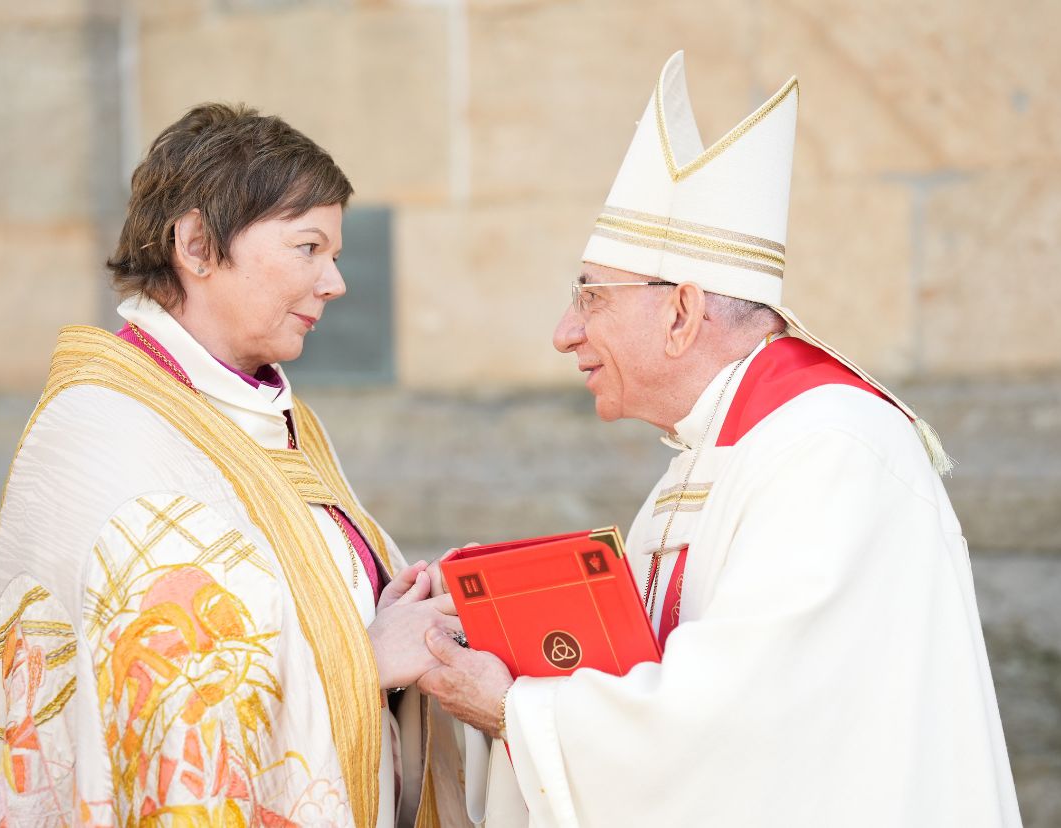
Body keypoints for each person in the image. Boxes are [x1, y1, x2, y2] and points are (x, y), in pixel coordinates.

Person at [417, 52, 1023, 826]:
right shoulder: (717, 454)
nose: (566, 333)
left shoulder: (829, 449)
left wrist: (516, 712)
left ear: (683, 313)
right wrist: (480, 627)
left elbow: (740, 727)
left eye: (591, 299)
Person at [0, 103, 471, 827]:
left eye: (336, 255)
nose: (334, 282)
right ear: (196, 244)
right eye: (308, 248)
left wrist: (383, 599)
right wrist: (364, 660)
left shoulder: (259, 412)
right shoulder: (107, 430)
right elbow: (169, 694)